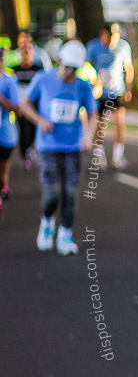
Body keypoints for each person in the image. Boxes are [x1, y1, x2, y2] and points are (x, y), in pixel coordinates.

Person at [20, 40, 99, 255]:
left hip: (73, 146)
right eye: (66, 67)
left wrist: (88, 135)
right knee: (52, 193)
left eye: (74, 68)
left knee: (70, 194)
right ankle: (46, 222)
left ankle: (65, 233)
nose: (69, 72)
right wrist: (39, 121)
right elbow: (25, 104)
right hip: (47, 146)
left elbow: (93, 114)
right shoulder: (42, 80)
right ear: (59, 61)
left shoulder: (82, 86)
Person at [86, 22, 133, 169]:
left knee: (120, 122)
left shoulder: (123, 46)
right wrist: (93, 84)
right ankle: (99, 156)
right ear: (103, 34)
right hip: (99, 93)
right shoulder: (93, 47)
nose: (113, 40)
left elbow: (129, 68)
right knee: (100, 125)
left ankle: (118, 156)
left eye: (116, 36)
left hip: (117, 91)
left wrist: (128, 88)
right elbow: (87, 67)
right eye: (110, 36)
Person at [11, 33, 50, 170]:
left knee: (33, 128)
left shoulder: (38, 70)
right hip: (20, 105)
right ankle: (25, 155)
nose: (26, 53)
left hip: (35, 105)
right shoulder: (15, 70)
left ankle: (30, 150)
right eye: (23, 51)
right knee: (23, 129)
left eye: (29, 50)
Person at [0, 51, 22, 216]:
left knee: (2, 171)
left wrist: (1, 99)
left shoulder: (9, 81)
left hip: (4, 134)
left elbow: (18, 108)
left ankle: (3, 189)